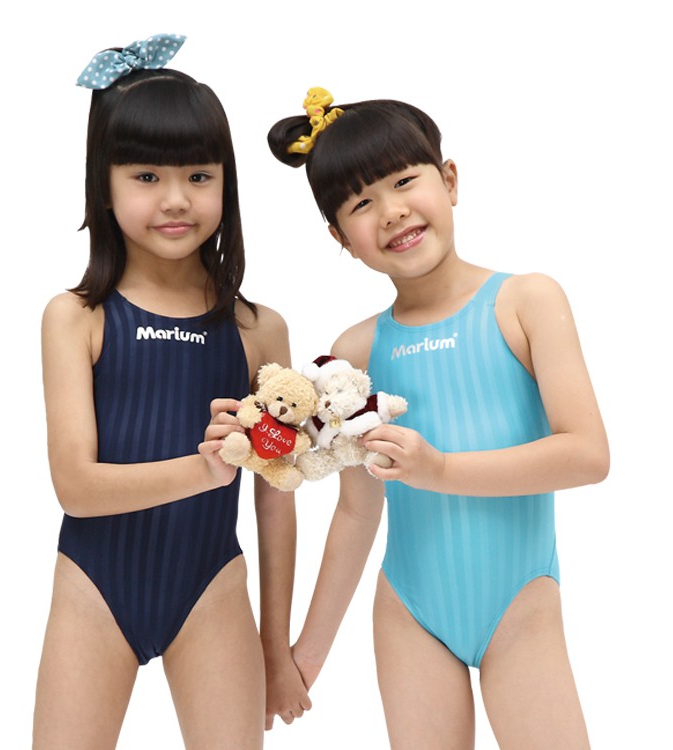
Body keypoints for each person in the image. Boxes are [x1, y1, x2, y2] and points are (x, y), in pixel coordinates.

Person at [267, 89, 610, 749]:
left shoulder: (525, 301)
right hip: (410, 612)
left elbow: (587, 454)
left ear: (449, 181)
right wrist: (304, 657)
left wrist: (441, 469)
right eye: (361, 203)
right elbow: (356, 514)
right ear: (340, 238)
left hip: (521, 605)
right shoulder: (356, 352)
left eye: (404, 181)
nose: (391, 211)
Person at [32, 35, 309, 750]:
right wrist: (205, 469)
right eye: (147, 176)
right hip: (93, 589)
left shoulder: (259, 331)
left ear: (227, 183)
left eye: (199, 175)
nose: (177, 199)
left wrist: (275, 647)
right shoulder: (77, 318)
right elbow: (76, 487)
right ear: (104, 184)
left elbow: (276, 499)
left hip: (212, 590)